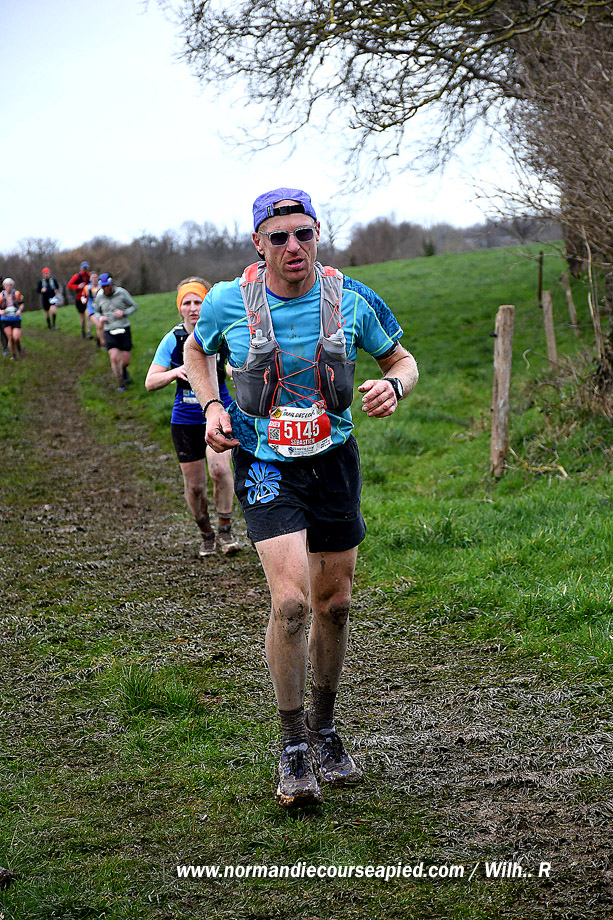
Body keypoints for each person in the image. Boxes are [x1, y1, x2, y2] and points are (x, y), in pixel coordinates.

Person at [184, 187, 418, 808]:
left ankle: (325, 728)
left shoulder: (350, 297)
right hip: (266, 463)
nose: (294, 246)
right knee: (290, 604)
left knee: (334, 604)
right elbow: (196, 350)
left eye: (304, 234)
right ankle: (291, 746)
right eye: (280, 237)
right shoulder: (230, 301)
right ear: (258, 244)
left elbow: (403, 360)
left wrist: (394, 386)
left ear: (318, 234)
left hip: (333, 461)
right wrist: (211, 406)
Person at [145, 277, 240, 558]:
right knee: (196, 486)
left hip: (219, 412)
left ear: (206, 304)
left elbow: (233, 365)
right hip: (185, 419)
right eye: (187, 302)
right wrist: (174, 372)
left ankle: (225, 530)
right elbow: (150, 381)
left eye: (198, 301)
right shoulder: (174, 339)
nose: (193, 307)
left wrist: (237, 373)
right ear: (180, 308)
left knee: (220, 470)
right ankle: (206, 534)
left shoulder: (220, 335)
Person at [94, 273, 137, 391]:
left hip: (123, 328)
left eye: (107, 286)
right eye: (103, 287)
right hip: (109, 329)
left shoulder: (121, 293)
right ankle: (121, 383)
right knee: (114, 357)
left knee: (125, 360)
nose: (105, 289)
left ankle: (123, 371)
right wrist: (100, 318)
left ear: (111, 284)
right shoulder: (99, 296)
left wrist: (124, 313)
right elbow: (96, 311)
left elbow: (134, 306)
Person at [0, 278, 25, 359]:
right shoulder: (1, 295)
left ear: (12, 286)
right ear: (4, 286)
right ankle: (13, 354)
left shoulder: (16, 294)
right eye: (7, 285)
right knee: (10, 337)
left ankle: (19, 347)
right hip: (5, 319)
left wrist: (19, 310)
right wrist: (1, 311)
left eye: (10, 285)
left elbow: (21, 304)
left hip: (16, 318)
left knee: (16, 337)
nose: (9, 286)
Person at [67, 261, 91, 338]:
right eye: (84, 268)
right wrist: (78, 286)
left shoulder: (89, 275)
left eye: (86, 268)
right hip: (79, 299)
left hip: (88, 298)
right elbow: (69, 285)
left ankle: (89, 332)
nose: (85, 269)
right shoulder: (77, 276)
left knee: (88, 315)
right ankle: (83, 332)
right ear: (81, 268)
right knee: (83, 318)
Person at [83, 271, 103, 345]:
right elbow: (83, 296)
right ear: (90, 279)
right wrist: (83, 300)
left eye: (96, 277)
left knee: (100, 326)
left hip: (100, 308)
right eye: (93, 277)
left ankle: (99, 340)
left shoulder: (102, 286)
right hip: (91, 308)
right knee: (98, 324)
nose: (94, 279)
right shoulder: (87, 287)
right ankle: (101, 342)